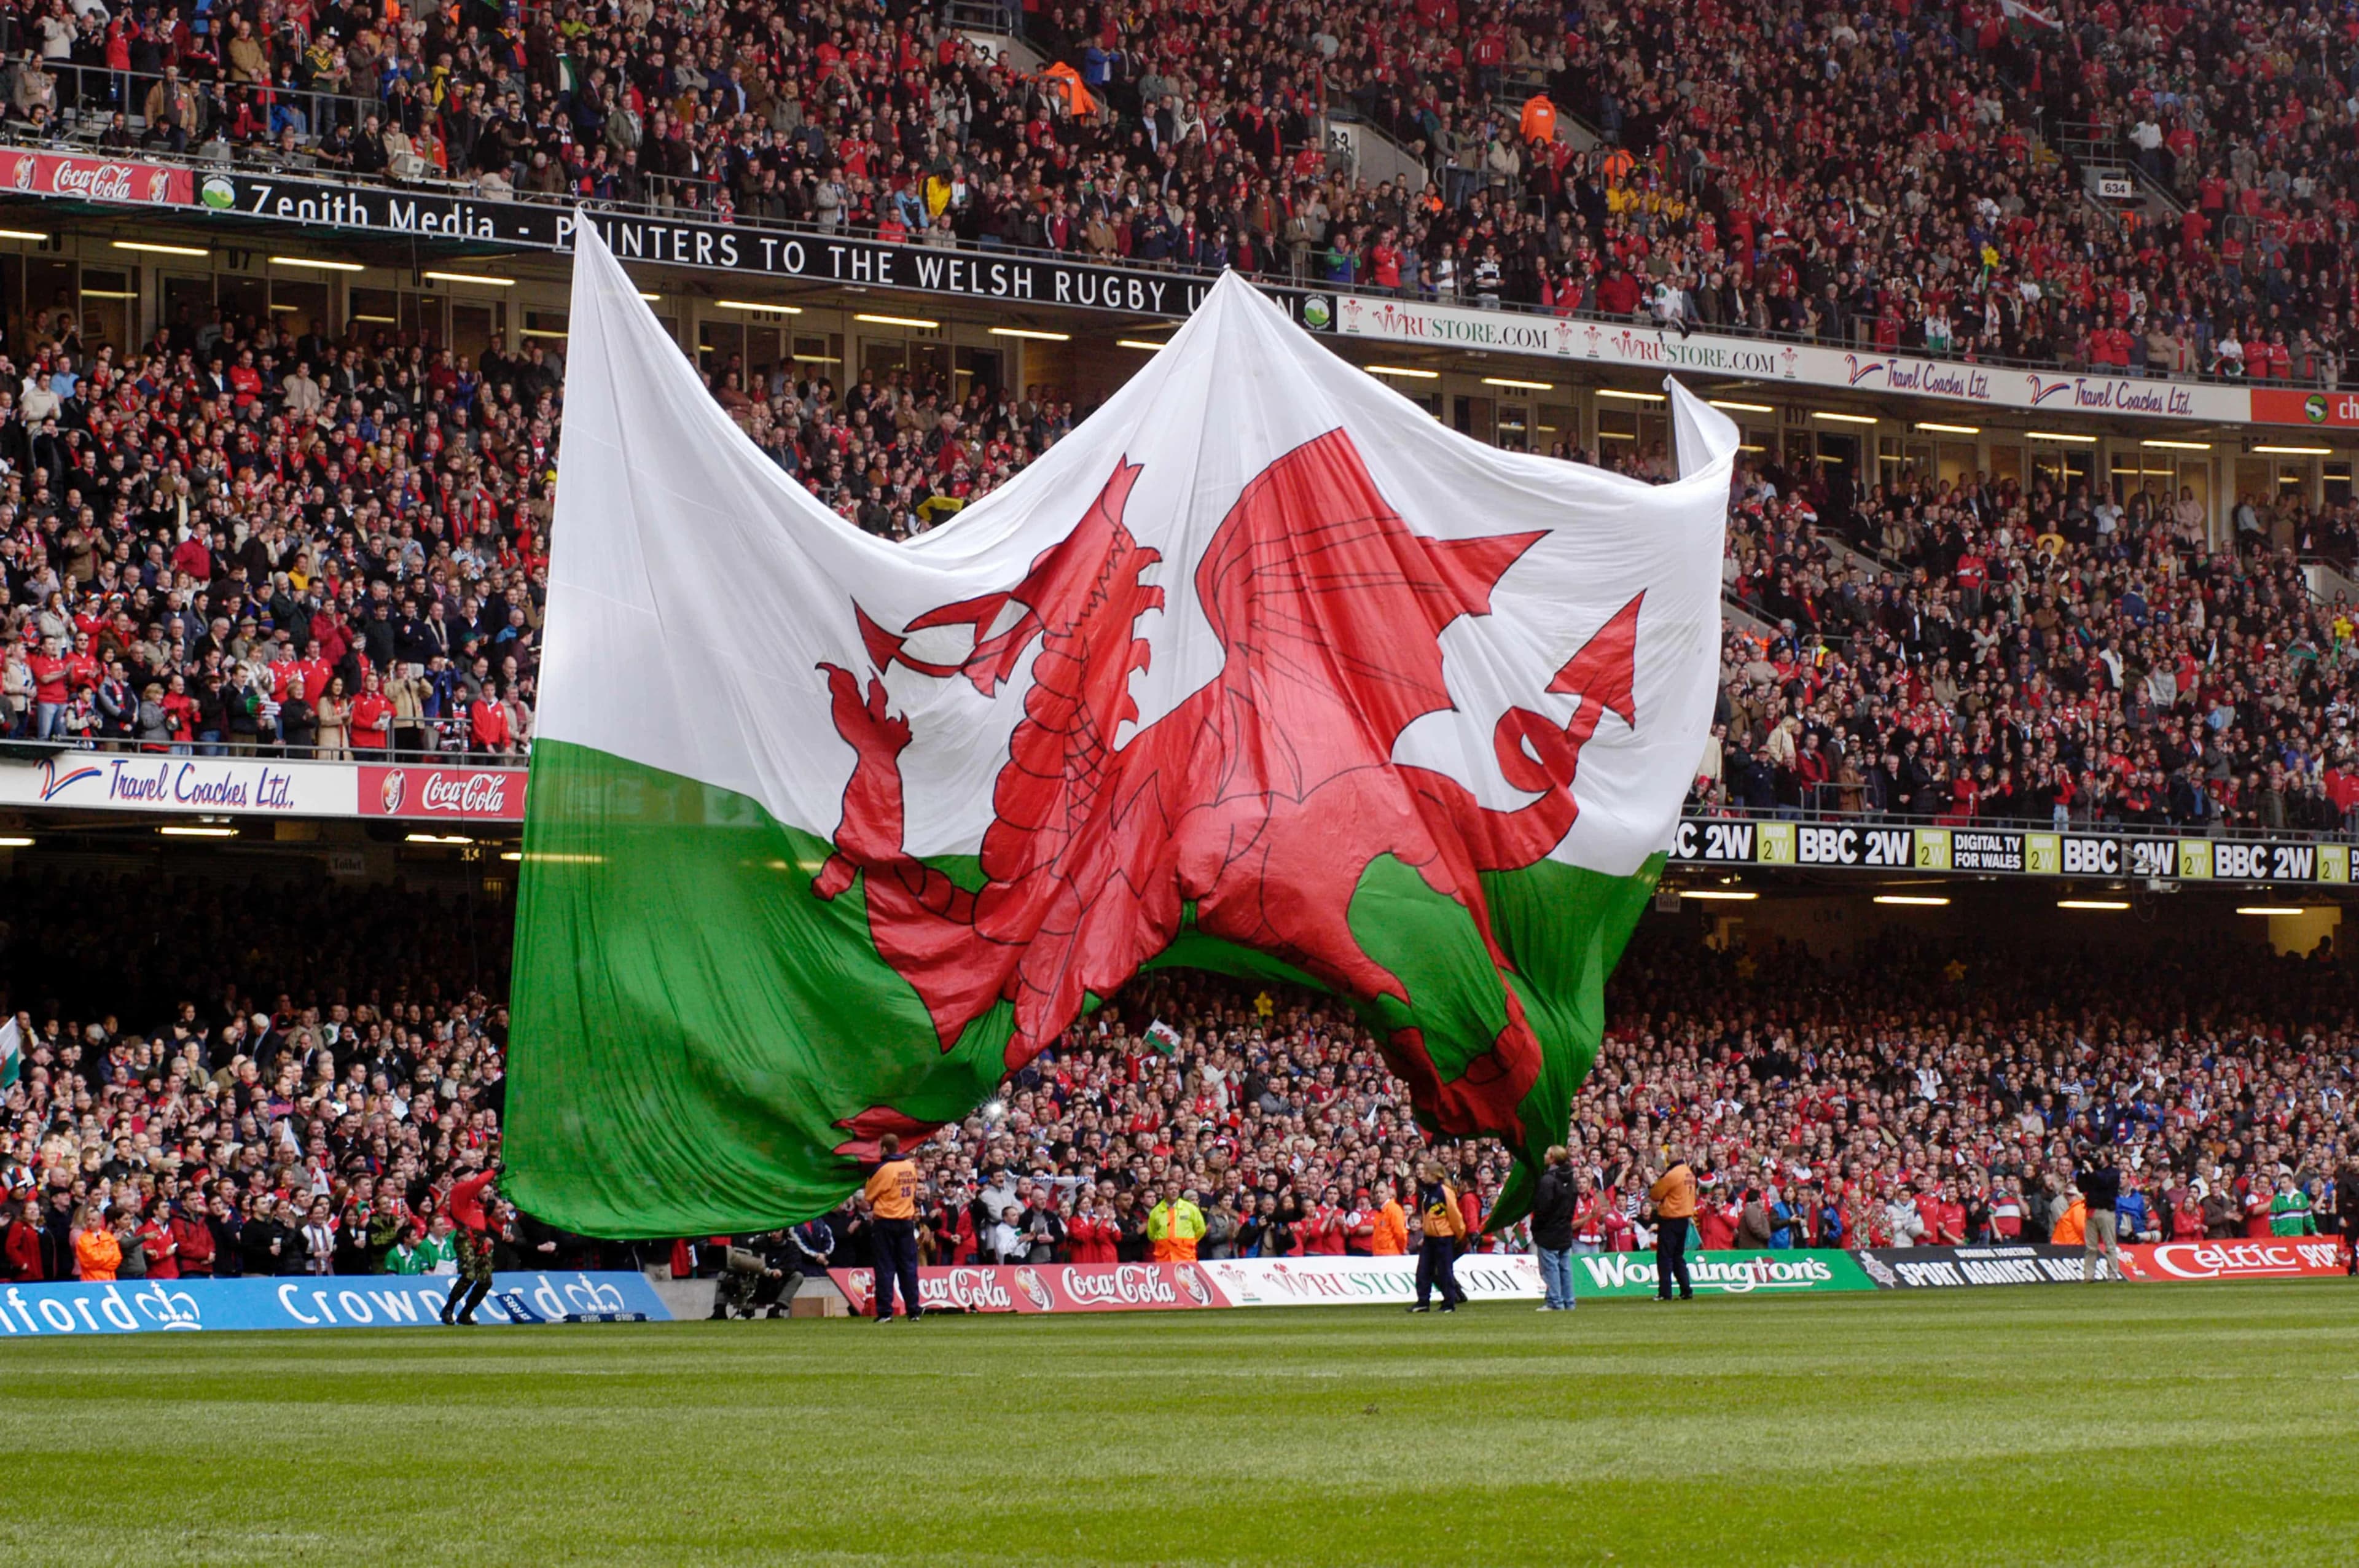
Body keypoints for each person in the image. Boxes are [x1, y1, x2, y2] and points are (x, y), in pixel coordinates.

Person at [863, 1133, 923, 1323]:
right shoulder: (910, 1167)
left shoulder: (882, 1170)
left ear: (884, 1149)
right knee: (909, 1267)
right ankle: (913, 1310)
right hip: (906, 1221)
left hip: (886, 1221)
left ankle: (886, 1312)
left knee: (885, 1267)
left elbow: (869, 1197)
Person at [441, 1160, 500, 1324]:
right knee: (469, 1276)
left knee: (486, 1280)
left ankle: (466, 1312)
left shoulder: (473, 1198)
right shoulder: (460, 1190)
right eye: (472, 1174)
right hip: (466, 1237)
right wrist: (493, 1172)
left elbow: (479, 1219)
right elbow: (479, 1182)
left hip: (480, 1239)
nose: (475, 1178)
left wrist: (487, 1209)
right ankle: (449, 1308)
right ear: (463, 1178)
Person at [1408, 1159, 1468, 1313]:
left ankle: (1449, 1302)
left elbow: (1455, 1215)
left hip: (1443, 1237)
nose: (1423, 1175)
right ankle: (1423, 1301)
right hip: (1430, 1237)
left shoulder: (1445, 1191)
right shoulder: (1429, 1191)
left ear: (1435, 1175)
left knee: (1444, 1270)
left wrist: (1460, 1234)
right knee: (1423, 1270)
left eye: (1426, 1172)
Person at [1647, 1143, 1698, 1301]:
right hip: (1684, 1219)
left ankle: (1665, 1292)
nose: (1668, 1156)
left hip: (1670, 1218)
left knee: (1665, 1257)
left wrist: (1651, 1182)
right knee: (1678, 1256)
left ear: (1678, 1154)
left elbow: (1656, 1194)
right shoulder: (1689, 1173)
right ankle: (1686, 1290)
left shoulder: (1673, 1174)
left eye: (1671, 1153)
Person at [1530, 1145, 1578, 1312]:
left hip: (1549, 1230)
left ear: (1552, 1158)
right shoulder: (1571, 1179)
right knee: (1565, 1267)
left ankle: (1555, 1301)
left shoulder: (1548, 1180)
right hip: (1564, 1228)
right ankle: (1569, 1301)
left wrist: (1536, 1227)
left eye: (1547, 1153)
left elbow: (1542, 1208)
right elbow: (1572, 1206)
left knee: (1550, 1267)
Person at [2076, 1148, 2127, 1282]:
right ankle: (2088, 1275)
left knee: (2110, 1246)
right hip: (2091, 1210)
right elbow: (2082, 1187)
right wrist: (2083, 1171)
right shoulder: (2094, 1172)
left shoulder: (2113, 1173)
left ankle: (2112, 1275)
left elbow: (2103, 1182)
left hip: (2106, 1211)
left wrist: (2091, 1171)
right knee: (2090, 1247)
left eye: (2101, 1156)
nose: (2098, 1158)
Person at [1146, 1180, 1205, 1262]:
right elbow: (1152, 1235)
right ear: (1164, 1192)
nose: (1174, 1191)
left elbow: (1201, 1229)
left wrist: (1188, 1242)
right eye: (1170, 1189)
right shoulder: (1156, 1212)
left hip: (1186, 1256)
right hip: (1164, 1257)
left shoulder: (1190, 1208)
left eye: (1176, 1189)